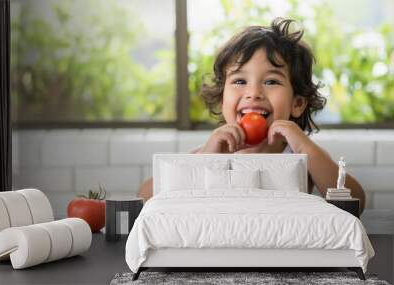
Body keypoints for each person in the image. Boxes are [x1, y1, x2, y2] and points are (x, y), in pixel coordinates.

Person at [138, 18, 366, 213]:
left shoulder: (301, 155)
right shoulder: (210, 152)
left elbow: (356, 202)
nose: (254, 93)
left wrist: (306, 148)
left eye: (271, 81)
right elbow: (145, 197)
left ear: (297, 103)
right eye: (239, 81)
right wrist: (204, 158)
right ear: (221, 99)